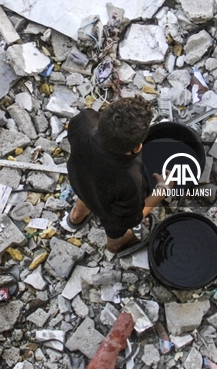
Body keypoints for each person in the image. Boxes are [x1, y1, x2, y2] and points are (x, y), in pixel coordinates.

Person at [63, 97, 166, 254]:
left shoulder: (83, 120)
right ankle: (114, 246)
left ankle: (77, 217)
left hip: (80, 181)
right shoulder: (131, 180)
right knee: (115, 236)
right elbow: (130, 217)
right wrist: (161, 190)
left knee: (87, 191)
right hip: (108, 209)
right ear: (137, 148)